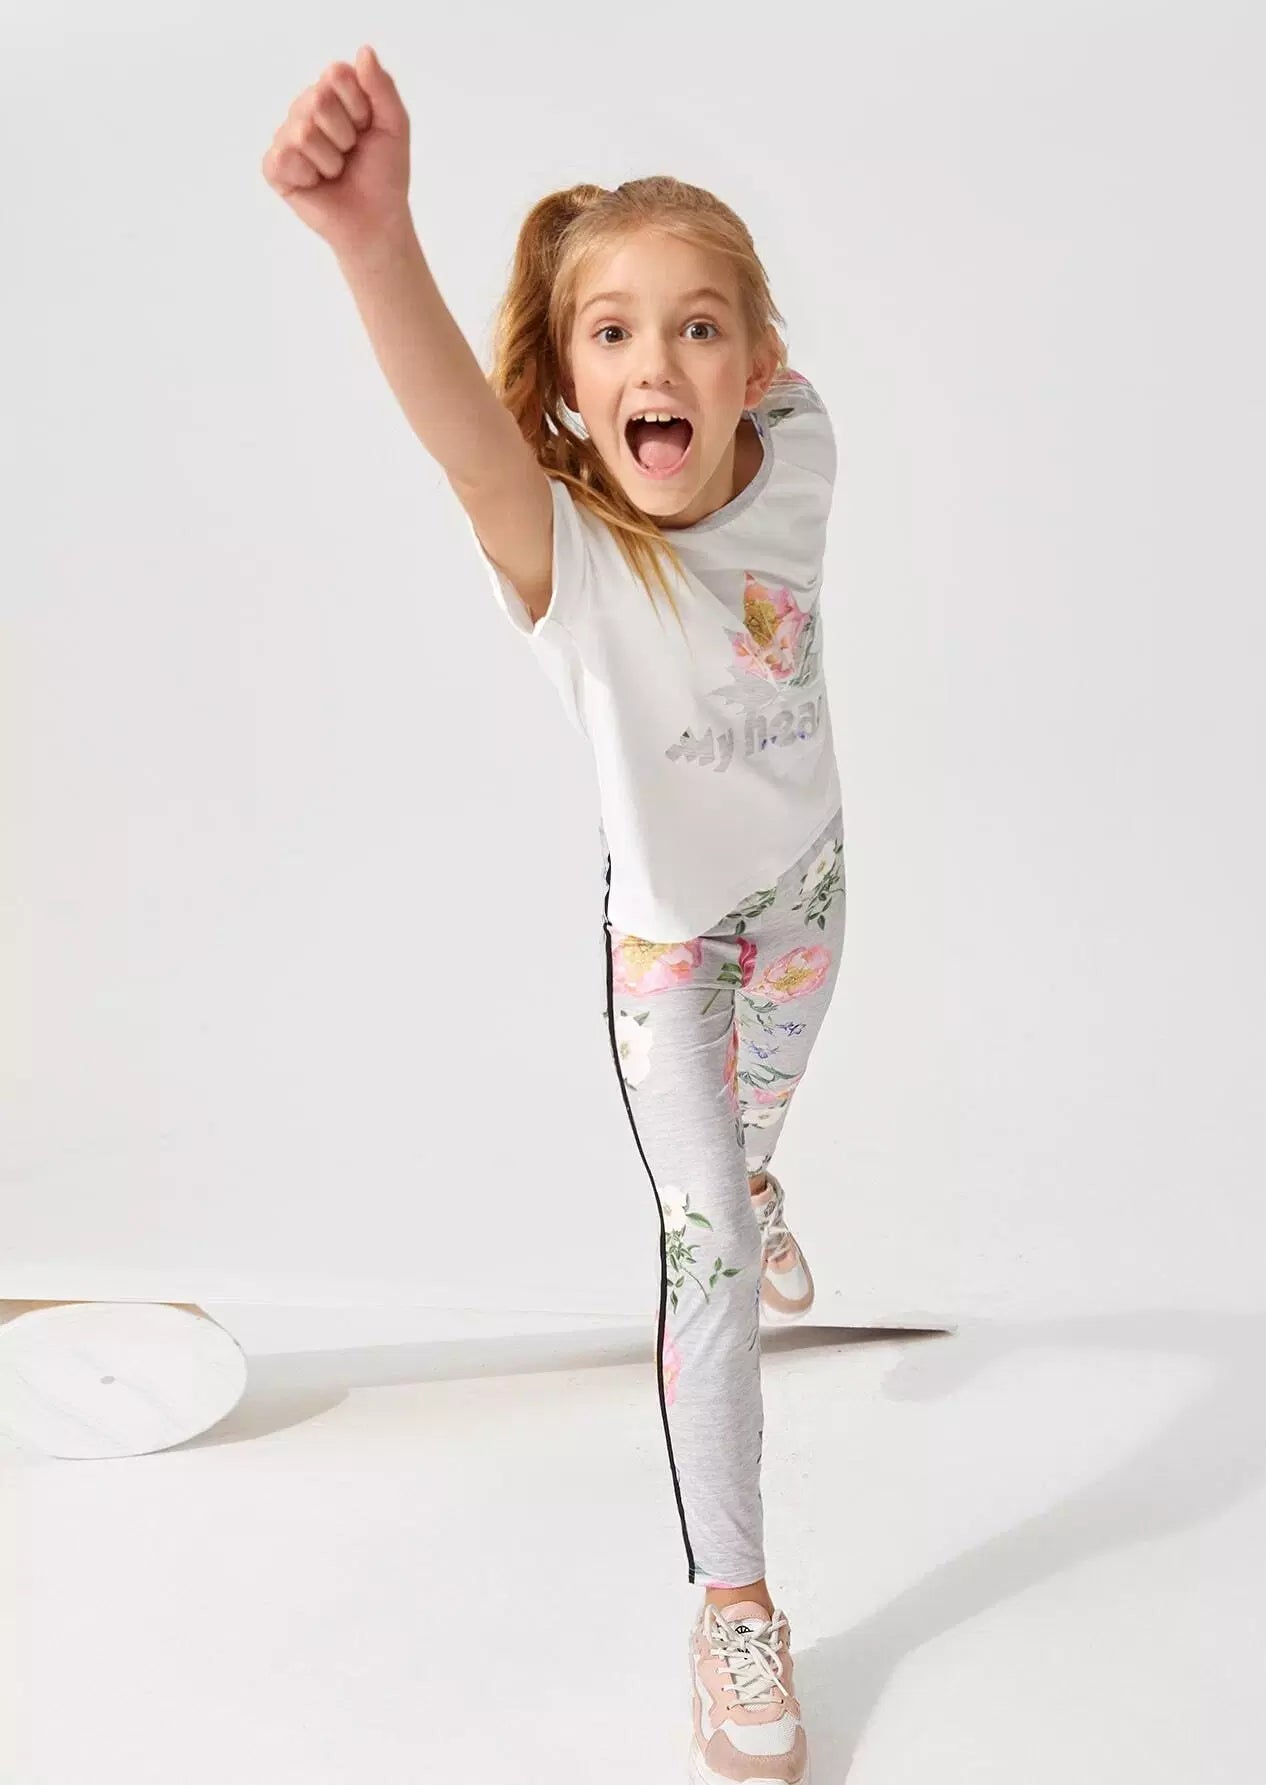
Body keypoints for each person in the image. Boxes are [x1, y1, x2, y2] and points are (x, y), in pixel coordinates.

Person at [261, 45, 846, 1785]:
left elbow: (750, 389)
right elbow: (465, 435)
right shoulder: (568, 563)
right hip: (672, 953)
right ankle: (735, 1603)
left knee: (754, 1147)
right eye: (612, 333)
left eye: (696, 329)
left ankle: (757, 1169)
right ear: (576, 393)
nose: (656, 362)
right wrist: (375, 241)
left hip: (814, 900)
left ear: (761, 368)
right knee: (707, 1250)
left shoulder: (806, 455)